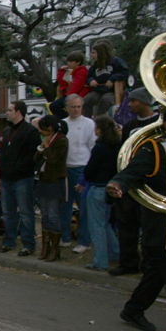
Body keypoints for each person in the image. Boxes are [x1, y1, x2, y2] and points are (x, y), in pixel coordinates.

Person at [107, 107, 166, 331]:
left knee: (158, 273)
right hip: (164, 228)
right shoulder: (154, 148)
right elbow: (131, 172)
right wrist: (117, 184)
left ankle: (133, 309)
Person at [110, 87, 159, 276]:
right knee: (126, 225)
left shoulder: (158, 123)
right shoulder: (130, 125)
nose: (130, 105)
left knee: (149, 227)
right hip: (130, 183)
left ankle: (150, 266)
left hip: (150, 182)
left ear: (144, 102)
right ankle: (128, 262)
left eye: (133, 101)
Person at [0, 101, 42, 256]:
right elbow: (4, 152)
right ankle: (9, 241)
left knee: (25, 211)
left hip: (23, 178)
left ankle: (29, 244)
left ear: (18, 112)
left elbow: (34, 156)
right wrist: (1, 168)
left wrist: (19, 167)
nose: (7, 112)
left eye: (10, 110)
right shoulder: (7, 130)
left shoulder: (31, 131)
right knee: (8, 212)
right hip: (6, 178)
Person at [82, 115, 120, 271]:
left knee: (96, 226)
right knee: (105, 225)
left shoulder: (100, 147)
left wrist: (87, 177)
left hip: (97, 187)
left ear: (100, 129)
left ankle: (100, 261)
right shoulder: (117, 145)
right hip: (110, 187)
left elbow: (90, 169)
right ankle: (115, 254)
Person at [60, 94, 96, 254]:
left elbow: (93, 147)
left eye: (78, 106)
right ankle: (65, 237)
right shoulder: (63, 124)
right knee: (65, 206)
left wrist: (89, 171)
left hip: (82, 168)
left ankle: (84, 241)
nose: (75, 109)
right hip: (65, 169)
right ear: (67, 107)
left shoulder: (89, 124)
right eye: (73, 106)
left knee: (83, 207)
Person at [33, 115, 69, 262]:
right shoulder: (46, 140)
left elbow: (54, 160)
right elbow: (36, 159)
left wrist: (47, 147)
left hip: (55, 181)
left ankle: (55, 249)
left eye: (42, 128)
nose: (40, 131)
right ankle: (45, 247)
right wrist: (41, 147)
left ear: (50, 128)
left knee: (53, 216)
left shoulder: (61, 140)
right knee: (45, 215)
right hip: (43, 180)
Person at [85, 40, 130, 118]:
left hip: (111, 91)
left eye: (94, 53)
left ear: (101, 53)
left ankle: (98, 119)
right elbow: (89, 76)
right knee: (87, 100)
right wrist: (91, 80)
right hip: (97, 91)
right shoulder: (95, 65)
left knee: (106, 100)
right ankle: (87, 120)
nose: (92, 55)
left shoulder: (116, 61)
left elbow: (125, 72)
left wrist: (112, 79)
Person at [50, 51, 90, 119]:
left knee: (55, 106)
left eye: (71, 61)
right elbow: (63, 83)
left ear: (78, 62)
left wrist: (68, 97)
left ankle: (67, 118)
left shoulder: (82, 72)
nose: (68, 63)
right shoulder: (70, 71)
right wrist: (61, 72)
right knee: (53, 105)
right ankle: (66, 118)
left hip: (77, 95)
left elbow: (77, 86)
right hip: (70, 94)